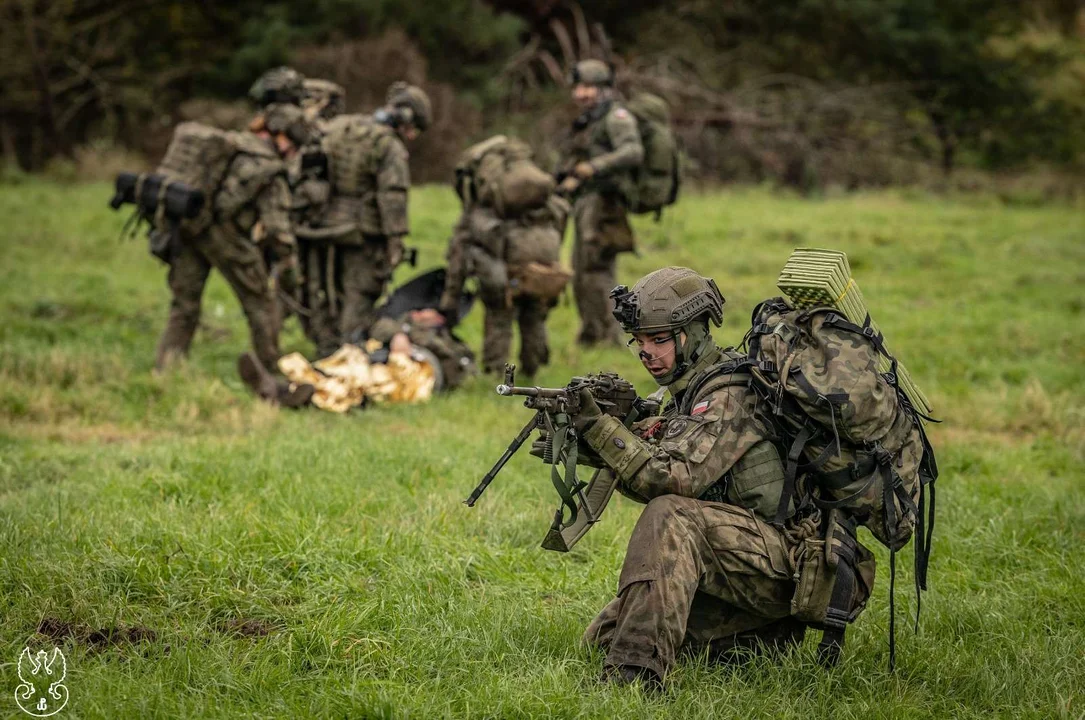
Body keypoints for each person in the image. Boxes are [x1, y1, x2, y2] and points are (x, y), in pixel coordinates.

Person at [560, 267, 873, 688]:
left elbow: (669, 481)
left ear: (692, 333)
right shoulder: (689, 391)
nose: (646, 352)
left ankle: (634, 680)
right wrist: (585, 437)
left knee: (672, 515)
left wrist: (601, 429)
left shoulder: (728, 395)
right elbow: (653, 476)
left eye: (659, 339)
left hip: (787, 566)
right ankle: (752, 639)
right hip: (742, 557)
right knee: (604, 639)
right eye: (640, 341)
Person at [154, 104, 309, 371]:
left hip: (190, 229)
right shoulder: (268, 167)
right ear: (282, 135)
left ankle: (165, 369)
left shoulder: (232, 144)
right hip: (226, 237)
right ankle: (271, 371)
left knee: (184, 306)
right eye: (293, 142)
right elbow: (276, 226)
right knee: (261, 303)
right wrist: (287, 261)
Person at [309, 82, 432, 347]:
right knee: (359, 294)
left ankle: (324, 344)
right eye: (414, 129)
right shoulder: (388, 146)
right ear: (405, 119)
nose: (412, 137)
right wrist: (395, 241)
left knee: (326, 290)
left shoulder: (342, 127)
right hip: (364, 233)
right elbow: (393, 196)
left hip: (322, 225)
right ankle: (348, 349)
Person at [439, 136, 570, 380]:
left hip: (506, 264)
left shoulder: (483, 208)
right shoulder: (544, 202)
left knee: (499, 315)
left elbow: (459, 252)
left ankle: (494, 370)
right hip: (542, 260)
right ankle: (533, 367)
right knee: (534, 314)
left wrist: (450, 298)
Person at [556, 60, 643, 347]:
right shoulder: (591, 118)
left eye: (588, 87)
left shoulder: (617, 116)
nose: (581, 94)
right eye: (578, 88)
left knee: (597, 271)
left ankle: (608, 336)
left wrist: (593, 167)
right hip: (585, 201)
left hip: (604, 202)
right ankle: (592, 333)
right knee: (581, 271)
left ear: (603, 89)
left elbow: (632, 151)